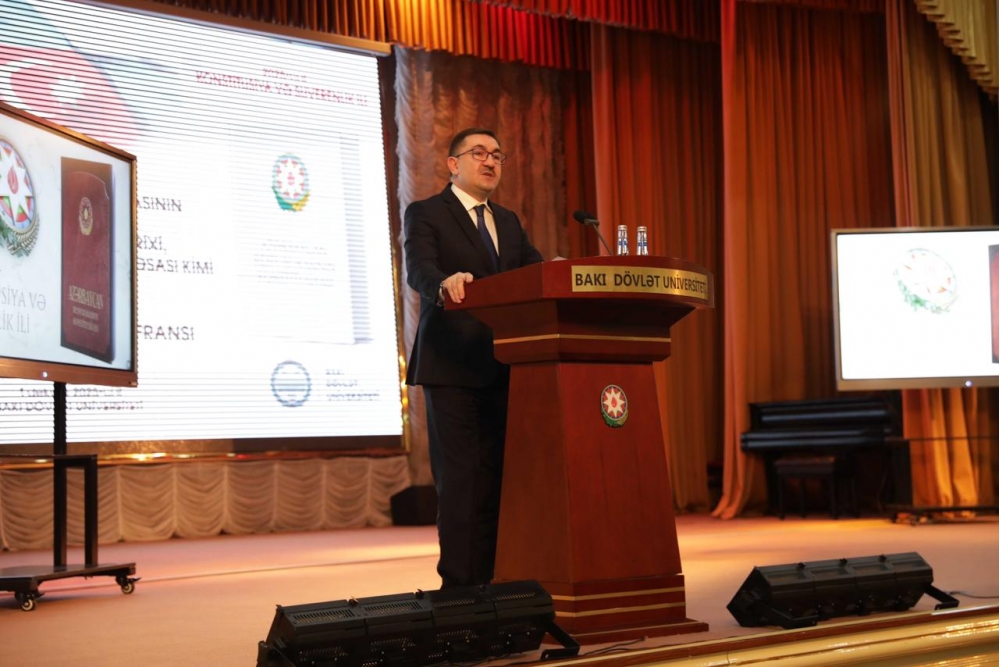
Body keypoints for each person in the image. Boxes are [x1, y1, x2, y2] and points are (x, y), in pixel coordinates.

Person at [403, 128, 544, 588]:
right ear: (453, 164)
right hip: (452, 364)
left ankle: (497, 582)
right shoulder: (426, 212)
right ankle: (461, 591)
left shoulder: (507, 220)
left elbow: (535, 272)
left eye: (498, 155)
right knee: (462, 481)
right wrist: (443, 284)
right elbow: (420, 268)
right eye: (479, 153)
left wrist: (560, 275)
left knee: (500, 479)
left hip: (506, 364)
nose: (490, 161)